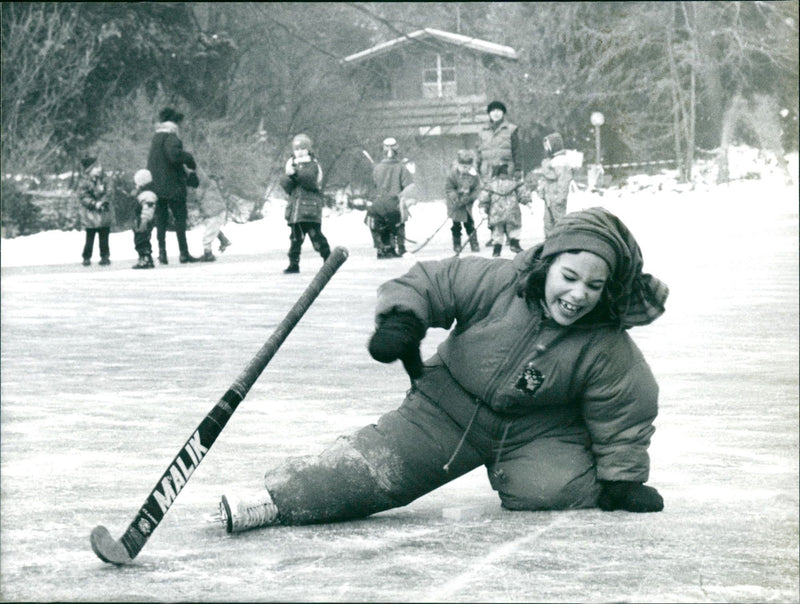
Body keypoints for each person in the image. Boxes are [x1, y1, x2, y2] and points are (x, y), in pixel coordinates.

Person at [216, 206, 669, 533]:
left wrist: (623, 480)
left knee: (553, 491)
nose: (578, 294)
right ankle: (274, 501)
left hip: (535, 431)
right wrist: (403, 319)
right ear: (547, 264)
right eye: (569, 277)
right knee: (373, 474)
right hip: (445, 410)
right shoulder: (499, 283)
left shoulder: (604, 341)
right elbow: (432, 282)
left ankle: (569, 475)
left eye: (594, 285)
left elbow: (628, 405)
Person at [147, 107, 200, 265]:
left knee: (161, 220)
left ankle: (162, 253)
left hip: (156, 185)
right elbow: (174, 155)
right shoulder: (171, 136)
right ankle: (183, 253)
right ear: (175, 122)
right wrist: (189, 158)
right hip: (172, 185)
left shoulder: (156, 137)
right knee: (180, 218)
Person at [280, 133, 331, 274]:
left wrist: (295, 173)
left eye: (303, 148)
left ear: (308, 149)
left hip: (310, 209)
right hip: (296, 211)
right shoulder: (291, 164)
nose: (300, 152)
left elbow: (309, 181)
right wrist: (288, 177)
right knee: (295, 239)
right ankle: (293, 263)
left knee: (316, 236)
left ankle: (328, 258)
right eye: (297, 149)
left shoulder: (313, 164)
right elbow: (287, 187)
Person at [476, 100, 520, 246]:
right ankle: (495, 235)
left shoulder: (511, 129)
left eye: (498, 110)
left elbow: (517, 151)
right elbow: (478, 151)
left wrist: (518, 169)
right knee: (490, 203)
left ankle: (509, 235)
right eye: (493, 111)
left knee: (507, 203)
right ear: (489, 113)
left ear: (503, 113)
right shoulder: (482, 131)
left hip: (505, 170)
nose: (495, 113)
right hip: (488, 171)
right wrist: (477, 167)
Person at [369, 137, 415, 259]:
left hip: (379, 202)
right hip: (395, 202)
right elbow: (408, 185)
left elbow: (374, 185)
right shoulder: (401, 168)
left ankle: (383, 248)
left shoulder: (377, 168)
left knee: (379, 225)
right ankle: (400, 247)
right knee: (398, 225)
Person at [478, 163, 528, 257]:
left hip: (496, 211)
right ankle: (514, 244)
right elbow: (522, 195)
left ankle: (497, 249)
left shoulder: (491, 185)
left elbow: (484, 197)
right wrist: (527, 201)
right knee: (514, 227)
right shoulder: (514, 183)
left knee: (497, 230)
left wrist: (483, 207)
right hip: (512, 210)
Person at [535, 132, 574, 237]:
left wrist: (561, 196)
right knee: (547, 221)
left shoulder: (560, 161)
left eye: (548, 146)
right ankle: (549, 240)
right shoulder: (550, 161)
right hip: (549, 196)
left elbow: (564, 180)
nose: (546, 149)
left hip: (556, 195)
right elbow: (545, 179)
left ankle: (561, 240)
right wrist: (542, 191)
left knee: (559, 220)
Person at [77, 156, 113, 266]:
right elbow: (83, 196)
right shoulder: (84, 182)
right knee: (90, 237)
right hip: (91, 215)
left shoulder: (104, 179)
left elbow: (109, 192)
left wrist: (103, 202)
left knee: (104, 237)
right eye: (96, 167)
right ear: (89, 170)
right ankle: (87, 256)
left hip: (104, 213)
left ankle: (105, 256)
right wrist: (93, 203)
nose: (99, 169)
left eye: (99, 166)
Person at [445, 149, 481, 256]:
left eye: (467, 166)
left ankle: (474, 242)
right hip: (455, 204)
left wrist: (470, 198)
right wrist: (455, 197)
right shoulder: (452, 174)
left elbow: (477, 189)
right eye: (463, 166)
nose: (465, 169)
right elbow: (449, 188)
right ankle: (457, 244)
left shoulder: (474, 176)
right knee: (456, 225)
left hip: (467, 205)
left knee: (469, 224)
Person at [193, 164, 232, 262]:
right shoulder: (208, 184)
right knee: (212, 228)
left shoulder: (205, 185)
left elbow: (198, 197)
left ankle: (208, 254)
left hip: (216, 212)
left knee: (208, 234)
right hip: (214, 211)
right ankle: (223, 240)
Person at [131, 169, 157, 269]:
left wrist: (144, 220)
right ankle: (146, 257)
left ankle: (145, 257)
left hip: (143, 221)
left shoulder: (147, 195)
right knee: (142, 239)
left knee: (141, 239)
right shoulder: (144, 194)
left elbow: (148, 210)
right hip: (140, 220)